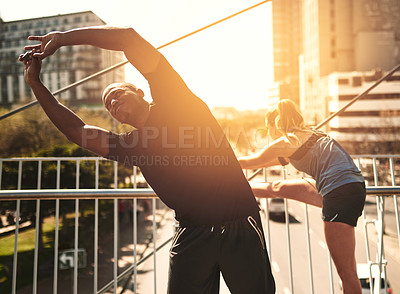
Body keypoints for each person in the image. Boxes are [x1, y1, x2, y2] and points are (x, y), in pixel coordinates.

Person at [20, 26, 275, 294]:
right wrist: (35, 83)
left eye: (117, 94)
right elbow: (78, 131)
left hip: (237, 225)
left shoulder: (177, 101)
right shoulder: (132, 145)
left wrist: (62, 39)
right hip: (191, 233)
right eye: (108, 105)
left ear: (140, 92)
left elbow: (128, 38)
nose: (113, 103)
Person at [238, 99, 366, 294]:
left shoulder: (286, 142)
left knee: (347, 273)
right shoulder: (311, 134)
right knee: (279, 188)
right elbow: (273, 167)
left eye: (268, 129)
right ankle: (240, 188)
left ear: (276, 125)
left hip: (338, 191)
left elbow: (251, 162)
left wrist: (217, 161)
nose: (269, 134)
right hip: (352, 185)